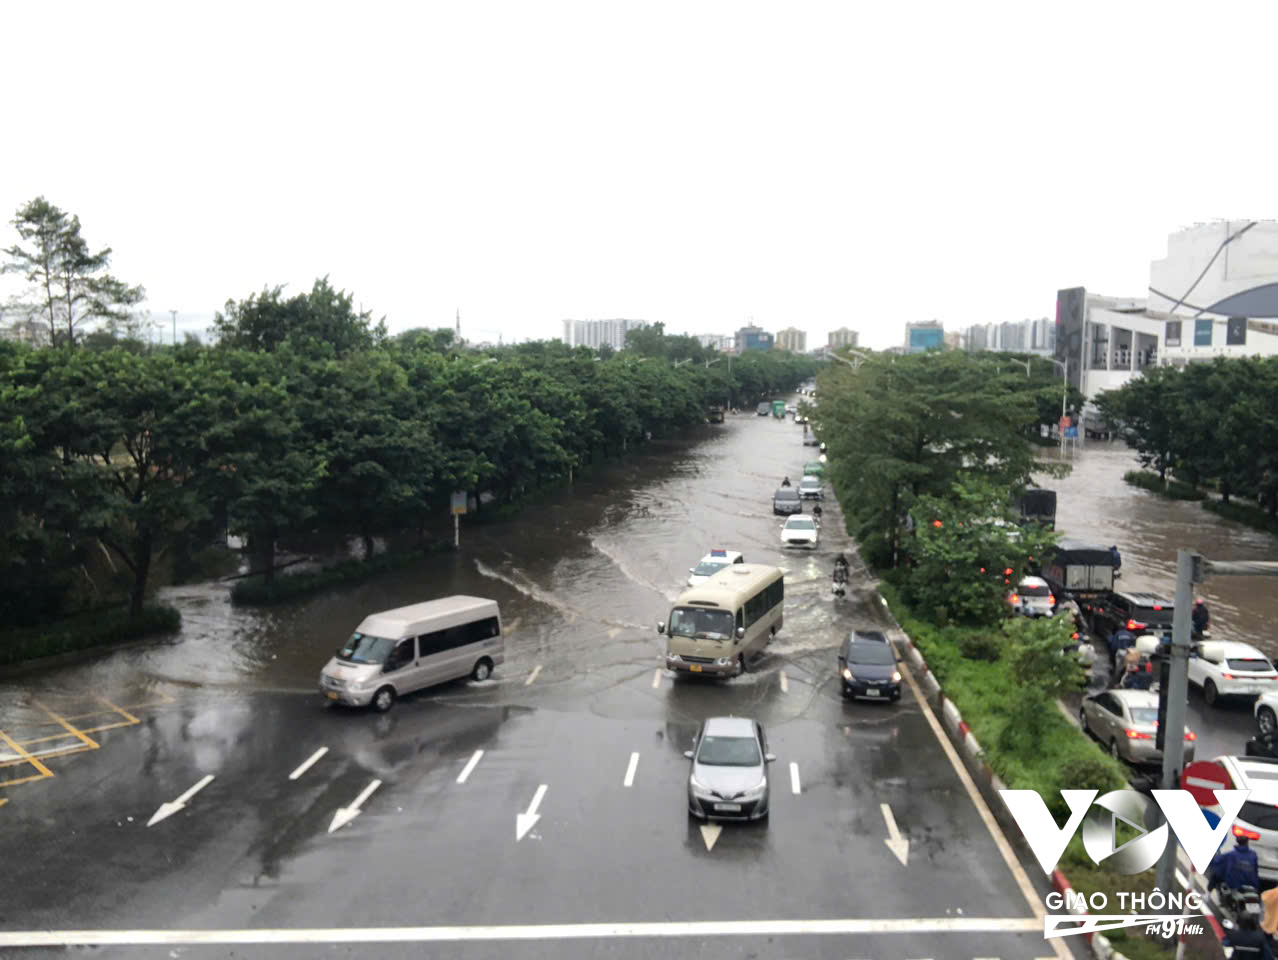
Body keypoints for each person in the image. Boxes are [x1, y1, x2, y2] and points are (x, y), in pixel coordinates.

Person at [1209, 836, 1262, 903]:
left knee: (1216, 874)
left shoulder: (1231, 854)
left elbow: (1217, 861)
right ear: (1247, 842)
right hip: (1252, 884)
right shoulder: (1254, 855)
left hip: (1235, 885)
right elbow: (1255, 870)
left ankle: (1207, 895)